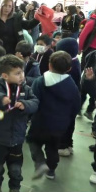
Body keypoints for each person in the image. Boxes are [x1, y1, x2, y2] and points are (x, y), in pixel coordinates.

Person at [0, 55, 39, 192]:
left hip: (17, 138)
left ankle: (15, 188)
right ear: (5, 75)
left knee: (16, 168)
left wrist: (25, 105)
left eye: (22, 72)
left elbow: (35, 103)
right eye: (17, 73)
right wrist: (0, 98)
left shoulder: (25, 88)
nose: (22, 76)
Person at [28, 51, 80, 180]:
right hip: (60, 125)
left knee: (33, 141)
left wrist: (28, 117)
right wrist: (67, 120)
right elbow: (76, 106)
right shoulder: (72, 85)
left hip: (41, 122)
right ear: (69, 68)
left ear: (49, 65)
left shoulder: (40, 81)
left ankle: (40, 163)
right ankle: (51, 170)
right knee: (53, 147)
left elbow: (33, 101)